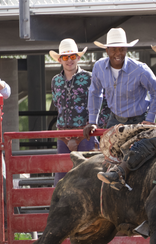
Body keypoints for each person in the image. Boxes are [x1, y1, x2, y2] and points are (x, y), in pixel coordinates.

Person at [83, 28, 156, 136]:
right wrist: (92, 121)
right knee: (108, 146)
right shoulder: (99, 67)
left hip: (138, 120)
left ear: (126, 50)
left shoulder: (139, 69)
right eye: (114, 49)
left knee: (138, 147)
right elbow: (95, 93)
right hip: (114, 119)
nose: (118, 53)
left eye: (122, 49)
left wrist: (150, 119)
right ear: (107, 50)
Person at [49, 38, 99, 185]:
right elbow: (57, 104)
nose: (69, 60)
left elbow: (100, 104)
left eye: (72, 56)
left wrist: (95, 125)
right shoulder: (55, 81)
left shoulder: (90, 78)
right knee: (61, 180)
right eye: (65, 57)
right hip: (63, 136)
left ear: (78, 58)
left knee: (88, 178)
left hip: (86, 134)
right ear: (60, 60)